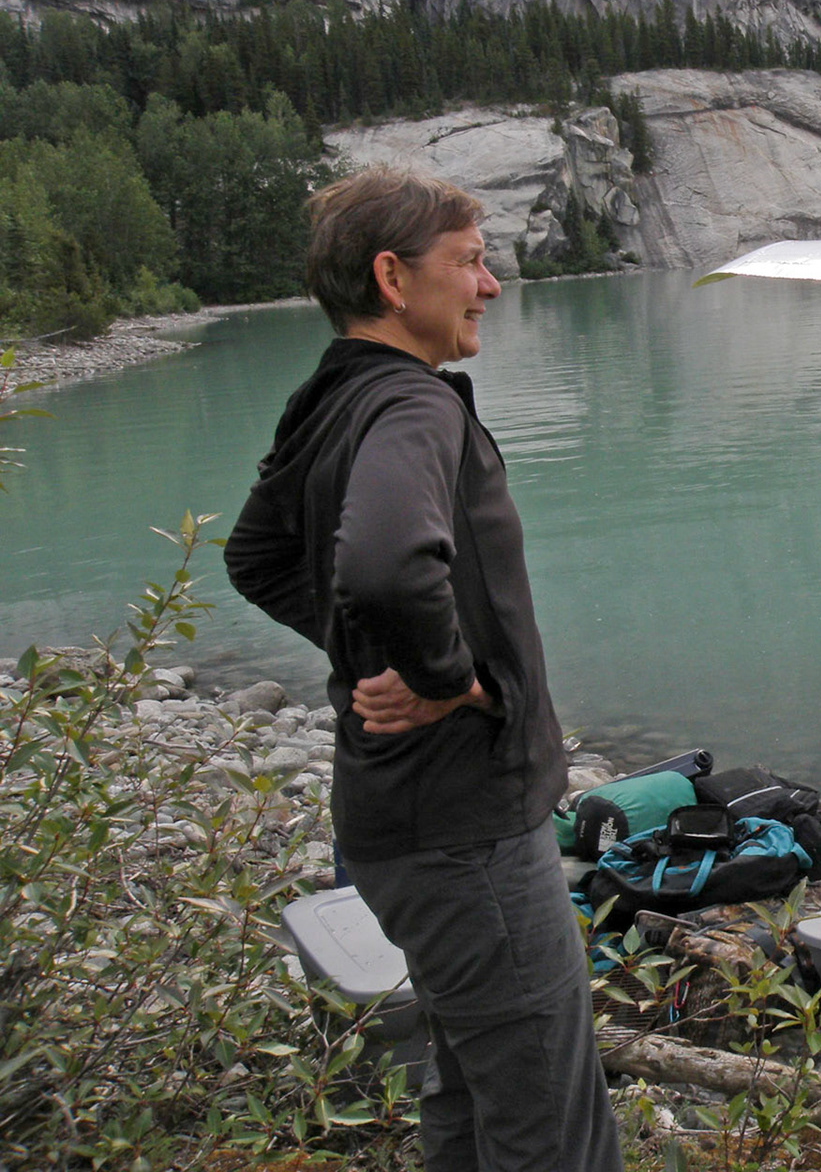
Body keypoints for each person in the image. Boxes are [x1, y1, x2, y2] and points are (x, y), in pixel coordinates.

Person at [224, 168, 620, 1172]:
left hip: (397, 825)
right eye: (471, 263)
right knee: (549, 1122)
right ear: (393, 277)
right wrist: (447, 677)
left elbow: (257, 556)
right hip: (468, 831)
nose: (489, 286)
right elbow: (389, 562)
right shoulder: (415, 404)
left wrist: (368, 654)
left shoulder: (330, 397)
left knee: (469, 1090)